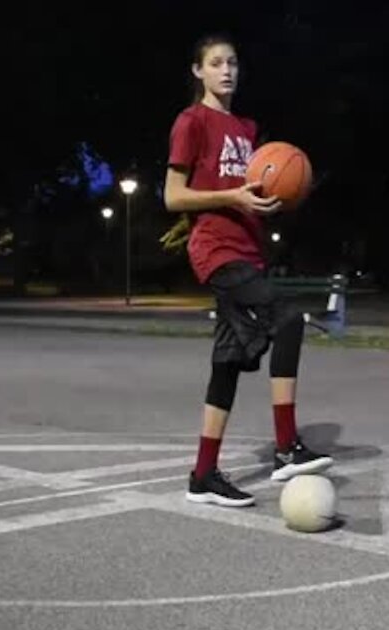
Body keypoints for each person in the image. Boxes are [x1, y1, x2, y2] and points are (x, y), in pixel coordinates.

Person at [163, 33, 333, 508]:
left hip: (248, 249)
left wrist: (270, 200)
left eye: (233, 63)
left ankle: (202, 476)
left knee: (228, 364)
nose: (227, 71)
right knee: (289, 321)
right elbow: (173, 196)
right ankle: (285, 448)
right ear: (198, 71)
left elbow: (251, 190)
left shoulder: (245, 128)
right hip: (216, 251)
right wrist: (231, 197)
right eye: (216, 63)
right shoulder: (191, 122)